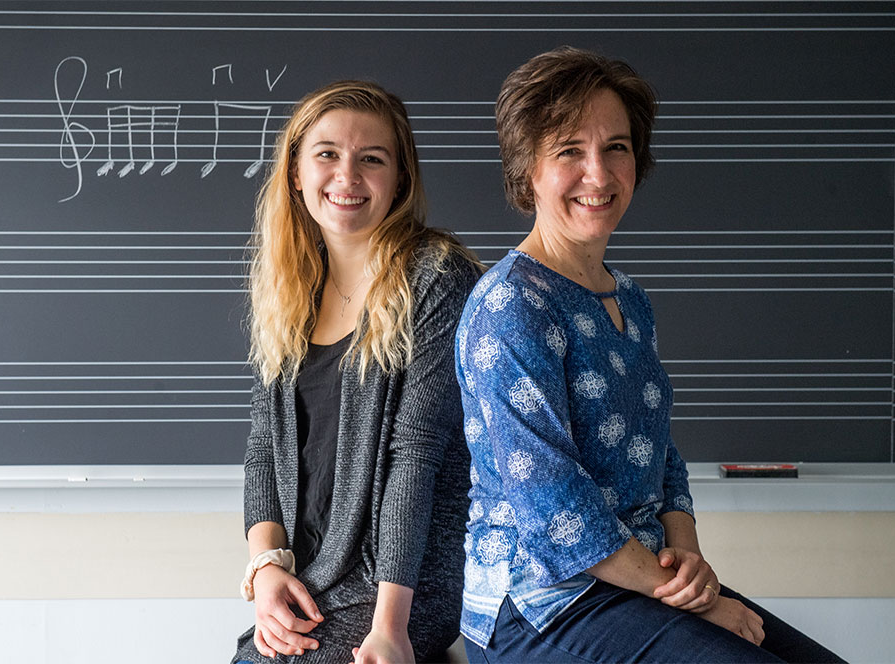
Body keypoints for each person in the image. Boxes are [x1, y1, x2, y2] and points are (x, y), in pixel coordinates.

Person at [454, 47, 845, 663]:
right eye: (569, 151)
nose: (599, 174)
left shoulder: (630, 300)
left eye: (616, 147)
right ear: (527, 170)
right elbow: (555, 508)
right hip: (540, 604)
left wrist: (687, 557)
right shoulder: (511, 305)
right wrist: (694, 601)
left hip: (638, 581)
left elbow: (660, 453)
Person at [232, 80, 480, 664]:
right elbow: (263, 449)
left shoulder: (436, 279)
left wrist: (390, 629)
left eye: (372, 159)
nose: (347, 176)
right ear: (296, 173)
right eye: (327, 154)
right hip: (313, 577)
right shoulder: (291, 287)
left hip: (405, 585)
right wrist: (265, 568)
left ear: (400, 179)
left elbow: (416, 456)